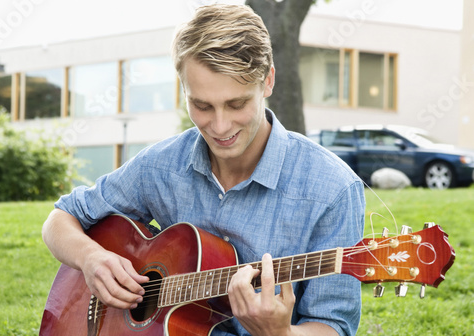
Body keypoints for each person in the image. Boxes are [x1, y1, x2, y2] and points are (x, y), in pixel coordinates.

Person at [42, 4, 365, 336]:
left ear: (267, 80)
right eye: (202, 105)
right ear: (184, 89)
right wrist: (91, 258)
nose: (220, 126)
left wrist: (281, 334)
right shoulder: (160, 165)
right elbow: (60, 220)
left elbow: (332, 326)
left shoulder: (333, 190)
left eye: (237, 104)